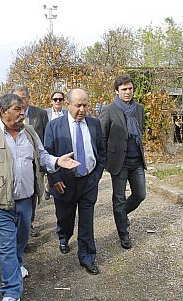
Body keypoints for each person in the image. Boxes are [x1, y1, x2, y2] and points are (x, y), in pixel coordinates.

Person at [0, 93, 79, 301]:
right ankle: (11, 291)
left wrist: (57, 161)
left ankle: (17, 264)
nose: (22, 113)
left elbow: (42, 156)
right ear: (3, 112)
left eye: (23, 109)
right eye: (17, 109)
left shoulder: (30, 132)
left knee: (21, 239)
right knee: (5, 245)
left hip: (26, 199)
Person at [44, 88, 106, 275]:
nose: (82, 109)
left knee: (87, 222)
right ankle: (64, 236)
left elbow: (101, 152)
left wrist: (96, 176)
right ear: (68, 105)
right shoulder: (54, 126)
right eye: (78, 105)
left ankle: (87, 257)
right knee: (65, 216)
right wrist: (54, 178)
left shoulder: (94, 124)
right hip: (63, 182)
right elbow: (47, 154)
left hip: (88, 181)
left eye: (85, 105)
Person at [98, 74, 147, 250]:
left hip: (137, 161)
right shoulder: (109, 110)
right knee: (118, 198)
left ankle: (121, 214)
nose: (128, 92)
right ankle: (123, 234)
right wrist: (104, 160)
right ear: (117, 91)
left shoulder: (139, 109)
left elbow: (139, 133)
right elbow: (101, 137)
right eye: (124, 89)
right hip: (119, 162)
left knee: (140, 194)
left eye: (130, 89)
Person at [10, 85, 48, 238]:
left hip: (35, 164)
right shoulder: (8, 116)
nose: (20, 102)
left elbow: (46, 137)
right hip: (15, 164)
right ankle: (15, 224)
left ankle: (28, 222)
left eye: (23, 98)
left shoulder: (40, 113)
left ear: (28, 98)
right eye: (17, 99)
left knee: (33, 194)